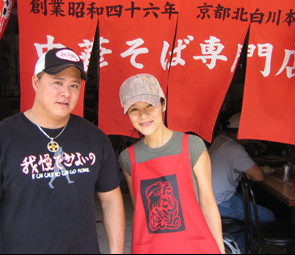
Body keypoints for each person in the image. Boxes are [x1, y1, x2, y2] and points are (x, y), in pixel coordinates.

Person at [0, 47, 125, 254]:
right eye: (57, 83)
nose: (66, 92)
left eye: (74, 85)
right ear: (36, 82)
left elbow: (110, 201)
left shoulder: (95, 138)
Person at [118, 73, 225, 254]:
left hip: (194, 247)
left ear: (163, 104)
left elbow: (207, 203)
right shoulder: (128, 158)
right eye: (134, 109)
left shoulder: (192, 146)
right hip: (152, 248)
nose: (143, 115)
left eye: (149, 105)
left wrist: (220, 250)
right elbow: (141, 210)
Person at [209, 112, 275, 252]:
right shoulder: (235, 149)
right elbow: (259, 176)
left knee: (248, 204)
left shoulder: (220, 139)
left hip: (210, 198)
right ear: (241, 132)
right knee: (268, 216)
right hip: (221, 202)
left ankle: (240, 240)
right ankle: (246, 246)